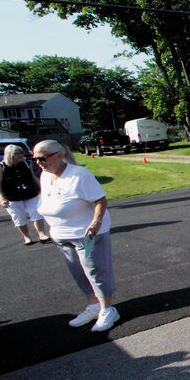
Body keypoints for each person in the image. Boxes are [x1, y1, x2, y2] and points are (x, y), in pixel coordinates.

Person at [34, 140, 120, 332]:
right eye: (35, 159)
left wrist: (96, 221)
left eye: (42, 158)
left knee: (95, 270)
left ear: (58, 154)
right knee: (78, 272)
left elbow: (100, 200)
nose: (39, 162)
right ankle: (93, 305)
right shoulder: (45, 175)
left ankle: (108, 309)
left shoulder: (79, 175)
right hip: (61, 236)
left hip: (87, 235)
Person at [0, 144, 51, 245]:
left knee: (37, 212)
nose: (21, 155)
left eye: (21, 152)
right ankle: (27, 237)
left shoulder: (26, 163)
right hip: (12, 197)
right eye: (18, 153)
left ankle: (42, 234)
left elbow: (33, 177)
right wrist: (1, 199)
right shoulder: (1, 167)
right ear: (11, 155)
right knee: (18, 217)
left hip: (30, 193)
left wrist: (42, 189)